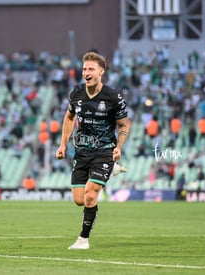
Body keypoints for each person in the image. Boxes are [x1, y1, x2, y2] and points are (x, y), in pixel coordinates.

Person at [55, 52, 130, 250]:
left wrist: (119, 147)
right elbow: (69, 118)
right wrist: (63, 144)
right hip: (81, 153)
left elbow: (124, 125)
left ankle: (83, 239)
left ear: (101, 72)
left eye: (91, 69)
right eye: (84, 69)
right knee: (79, 200)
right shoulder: (76, 93)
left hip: (104, 151)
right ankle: (110, 170)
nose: (86, 72)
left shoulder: (113, 97)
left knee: (90, 195)